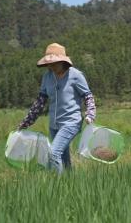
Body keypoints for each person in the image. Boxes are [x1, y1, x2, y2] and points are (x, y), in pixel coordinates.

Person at [18, 43, 96, 174]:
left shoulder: (76, 75)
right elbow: (40, 102)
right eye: (49, 64)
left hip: (71, 122)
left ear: (63, 62)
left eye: (54, 63)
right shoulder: (47, 77)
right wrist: (26, 122)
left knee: (53, 154)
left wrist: (90, 114)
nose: (51, 67)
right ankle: (70, 182)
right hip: (54, 125)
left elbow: (88, 96)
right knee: (64, 160)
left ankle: (58, 184)